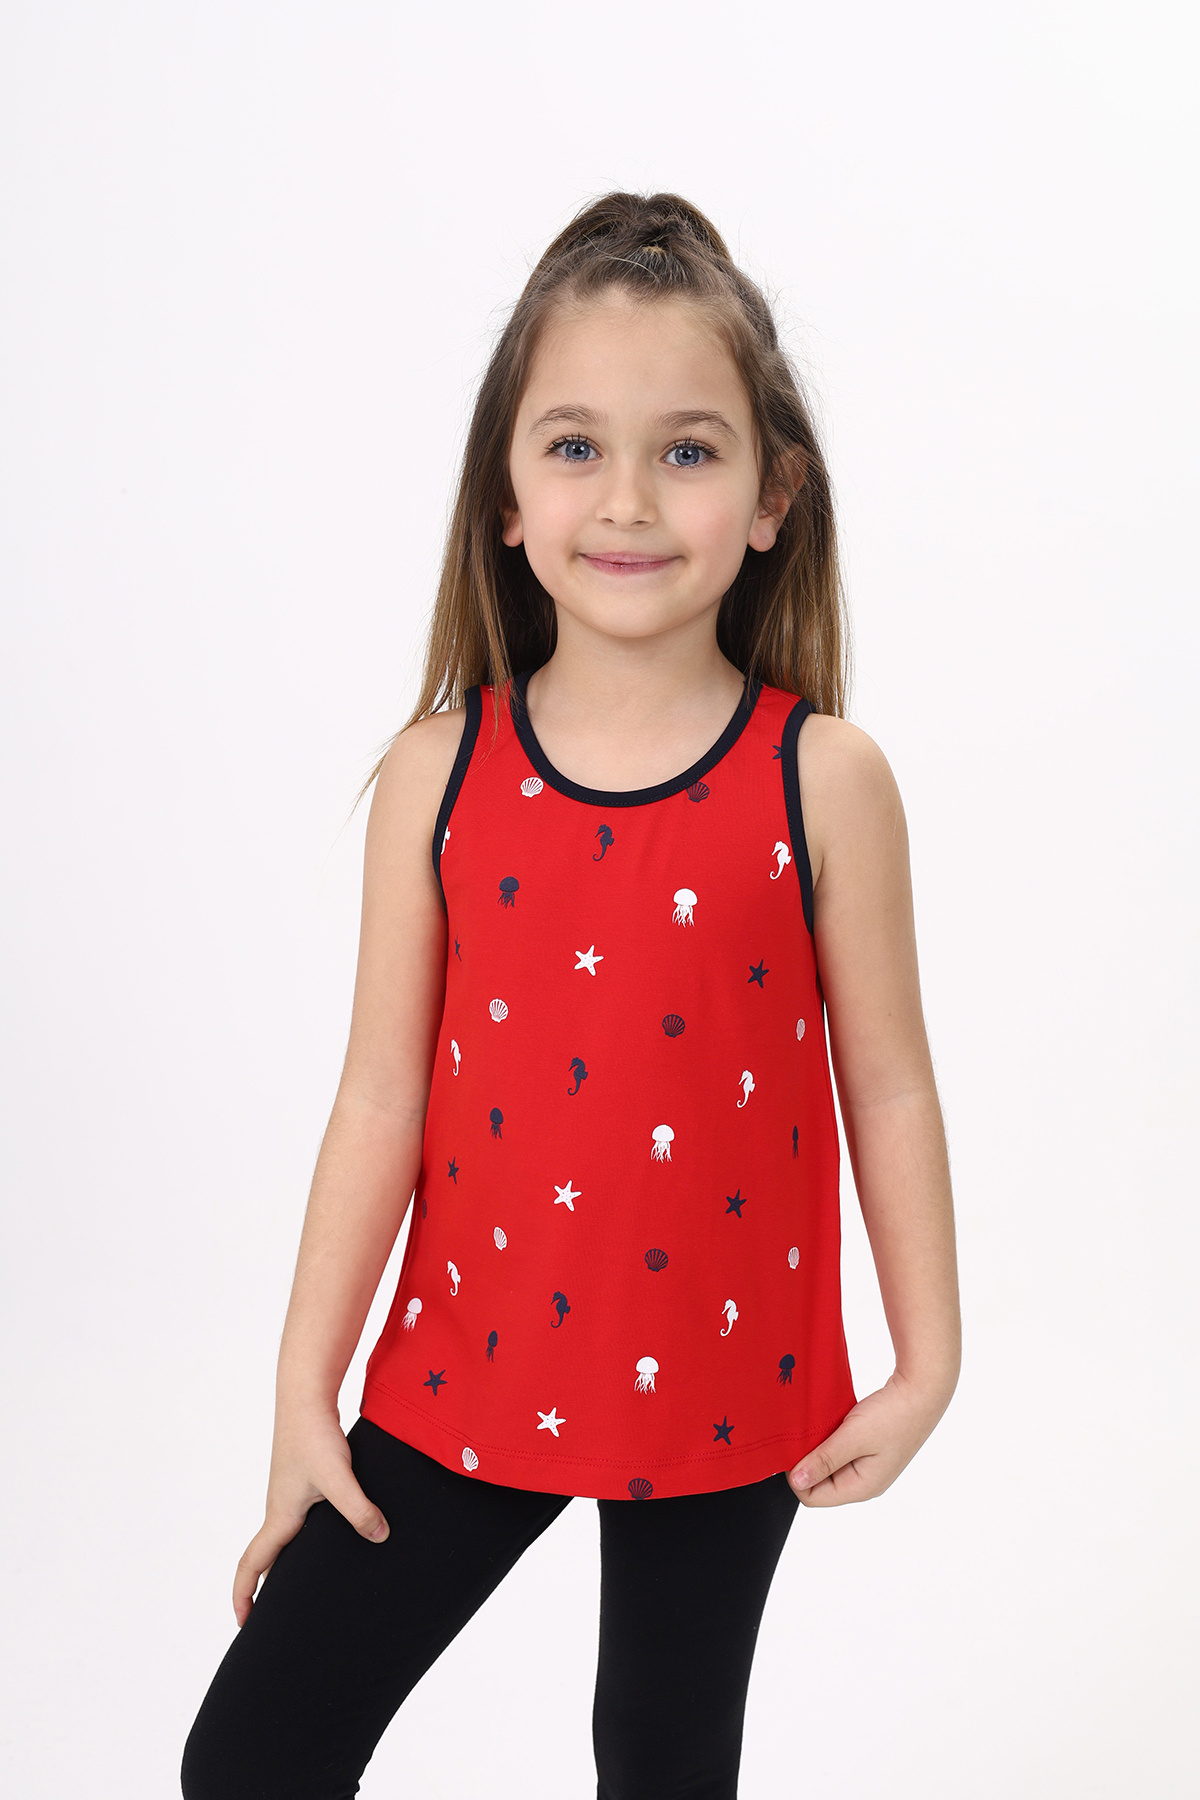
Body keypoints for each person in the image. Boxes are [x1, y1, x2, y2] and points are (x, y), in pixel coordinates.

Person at [181, 190, 961, 1800]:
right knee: (254, 1756)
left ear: (774, 495)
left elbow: (889, 1085)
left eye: (689, 450)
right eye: (575, 445)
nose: (627, 500)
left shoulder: (826, 779)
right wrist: (302, 1397)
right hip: (465, 1371)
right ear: (507, 493)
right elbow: (379, 1097)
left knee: (659, 1769)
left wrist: (927, 1361)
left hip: (730, 1388)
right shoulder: (438, 775)